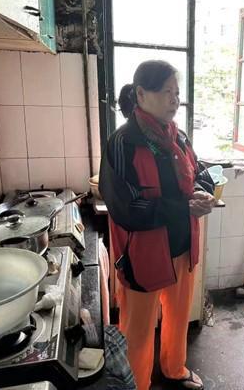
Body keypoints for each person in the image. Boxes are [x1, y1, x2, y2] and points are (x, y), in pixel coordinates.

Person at [99, 60, 215, 390]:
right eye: (167, 92)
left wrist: (201, 191)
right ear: (141, 94)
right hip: (144, 254)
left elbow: (201, 173)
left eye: (177, 92)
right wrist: (182, 207)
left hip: (182, 245)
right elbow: (125, 206)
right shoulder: (123, 142)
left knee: (178, 317)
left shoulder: (179, 137)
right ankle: (136, 385)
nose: (175, 99)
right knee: (137, 329)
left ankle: (174, 368)